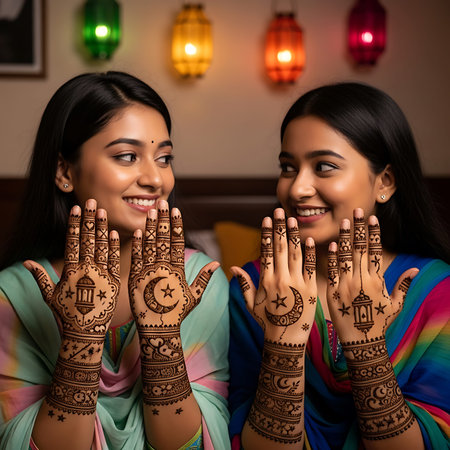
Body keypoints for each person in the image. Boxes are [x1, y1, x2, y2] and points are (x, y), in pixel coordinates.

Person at [0, 71, 230, 450]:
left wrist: (161, 338)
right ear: (64, 172)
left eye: (165, 158)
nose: (156, 180)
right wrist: (82, 337)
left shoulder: (197, 283)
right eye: (127, 156)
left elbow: (192, 444)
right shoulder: (16, 295)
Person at [228, 82, 450, 449]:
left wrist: (365, 346)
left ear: (385, 181)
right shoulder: (254, 289)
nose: (297, 188)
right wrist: (283, 342)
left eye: (324, 167)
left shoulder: (434, 291)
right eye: (288, 167)